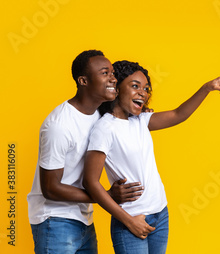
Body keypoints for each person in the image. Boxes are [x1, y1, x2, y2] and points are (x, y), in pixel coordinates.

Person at [83, 60, 220, 253]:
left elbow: (179, 114)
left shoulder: (141, 121)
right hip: (131, 219)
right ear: (117, 88)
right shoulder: (104, 128)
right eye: (135, 86)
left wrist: (207, 88)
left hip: (160, 214)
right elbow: (90, 182)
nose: (143, 92)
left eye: (146, 88)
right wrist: (129, 221)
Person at [27, 50, 144, 254]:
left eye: (113, 73)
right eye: (105, 73)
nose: (113, 79)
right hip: (54, 220)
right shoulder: (59, 126)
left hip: (83, 219)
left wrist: (142, 112)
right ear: (83, 81)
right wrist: (106, 196)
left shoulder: (101, 114)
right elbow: (50, 188)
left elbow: (126, 115)